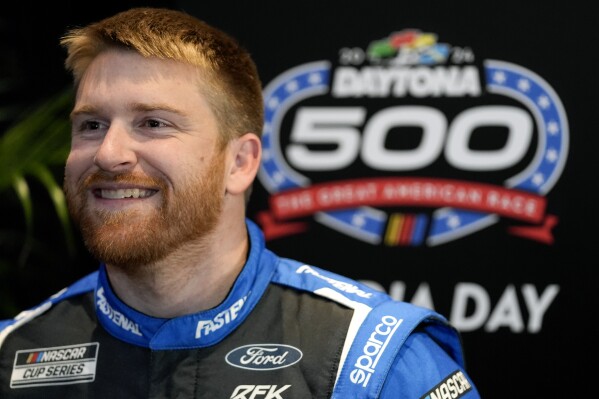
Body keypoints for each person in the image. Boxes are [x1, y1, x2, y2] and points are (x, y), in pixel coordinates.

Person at [0, 7, 480, 398]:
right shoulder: (12, 351)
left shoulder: (372, 359)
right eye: (91, 125)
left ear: (241, 162)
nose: (108, 153)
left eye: (153, 123)